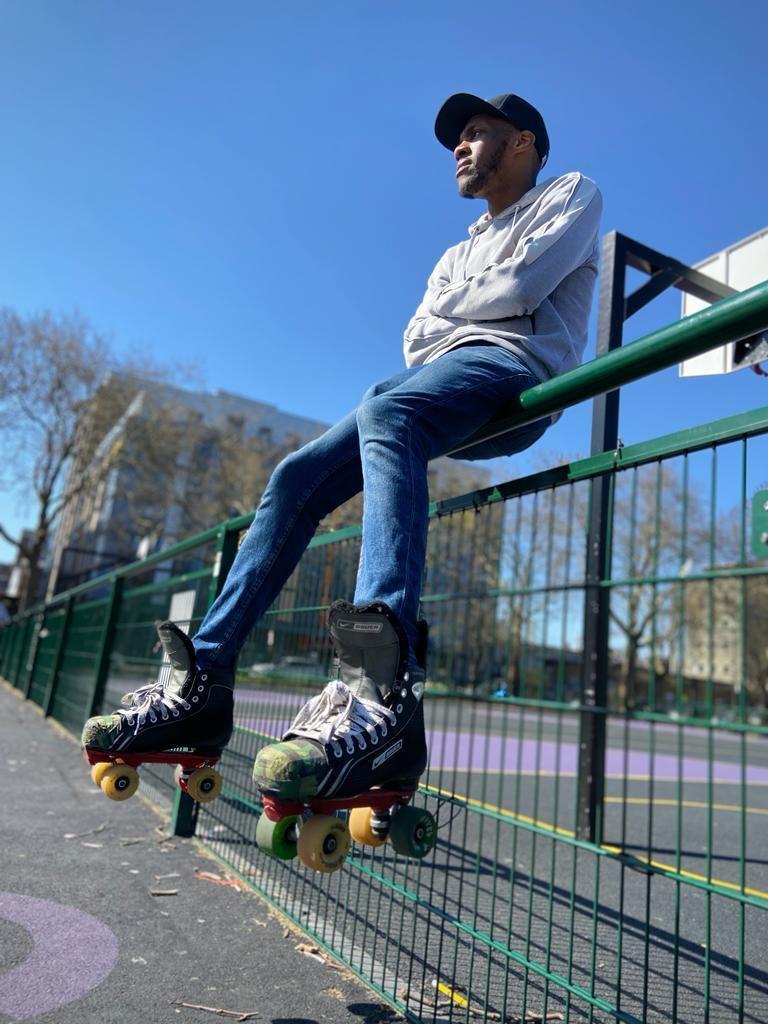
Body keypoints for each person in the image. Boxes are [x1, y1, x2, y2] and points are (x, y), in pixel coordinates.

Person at [81, 91, 602, 804]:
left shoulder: (571, 194)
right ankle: (201, 681)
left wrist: (466, 308)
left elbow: (522, 285)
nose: (461, 145)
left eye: (479, 132)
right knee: (298, 474)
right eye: (460, 135)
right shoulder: (457, 251)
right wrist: (475, 304)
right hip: (431, 383)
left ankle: (379, 683)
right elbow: (417, 338)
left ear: (525, 144)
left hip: (516, 373)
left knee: (388, 409)